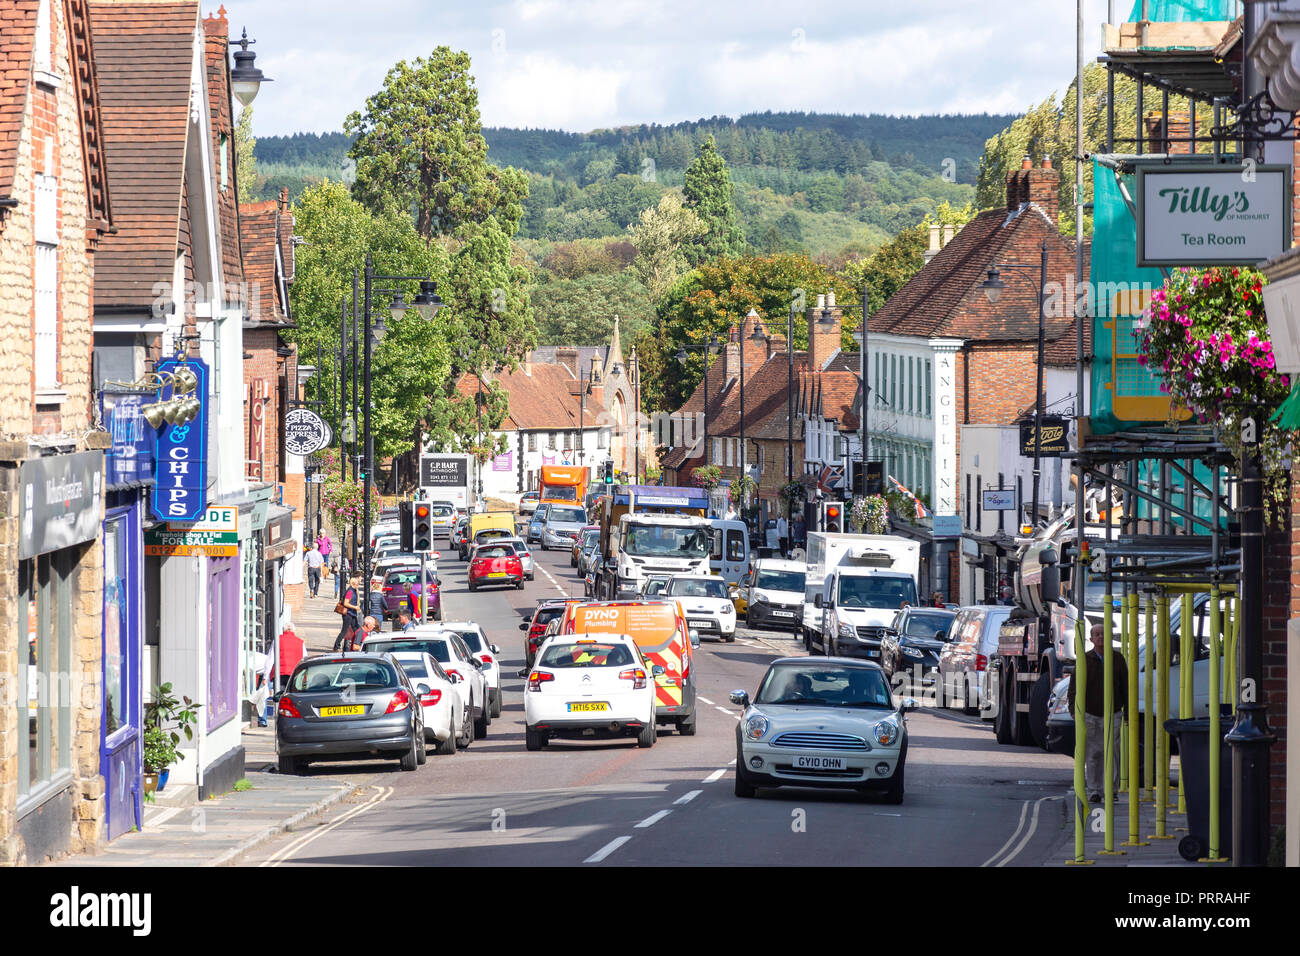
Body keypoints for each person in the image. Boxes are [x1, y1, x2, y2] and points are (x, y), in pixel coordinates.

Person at [1068, 623, 1127, 803]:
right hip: (1090, 714)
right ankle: (1094, 790)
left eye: (1104, 634)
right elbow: (1074, 687)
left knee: (1112, 753)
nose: (1101, 637)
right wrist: (1073, 709)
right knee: (1093, 753)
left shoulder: (1117, 659)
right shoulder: (1085, 660)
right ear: (1091, 639)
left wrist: (1127, 711)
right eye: (1097, 634)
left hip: (1113, 712)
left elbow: (1125, 686)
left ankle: (1111, 790)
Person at [277, 622, 306, 693]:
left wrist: (265, 677)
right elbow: (305, 659)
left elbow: (270, 659)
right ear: (294, 631)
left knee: (280, 693)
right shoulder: (300, 642)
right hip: (294, 673)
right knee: (292, 692)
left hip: (280, 673)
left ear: (283, 630)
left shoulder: (278, 640)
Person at [335, 575, 361, 652]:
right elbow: (345, 603)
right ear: (353, 584)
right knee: (344, 631)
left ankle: (358, 643)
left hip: (352, 613)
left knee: (356, 629)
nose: (358, 585)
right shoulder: (350, 591)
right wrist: (355, 607)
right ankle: (336, 646)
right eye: (357, 584)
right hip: (348, 614)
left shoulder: (354, 591)